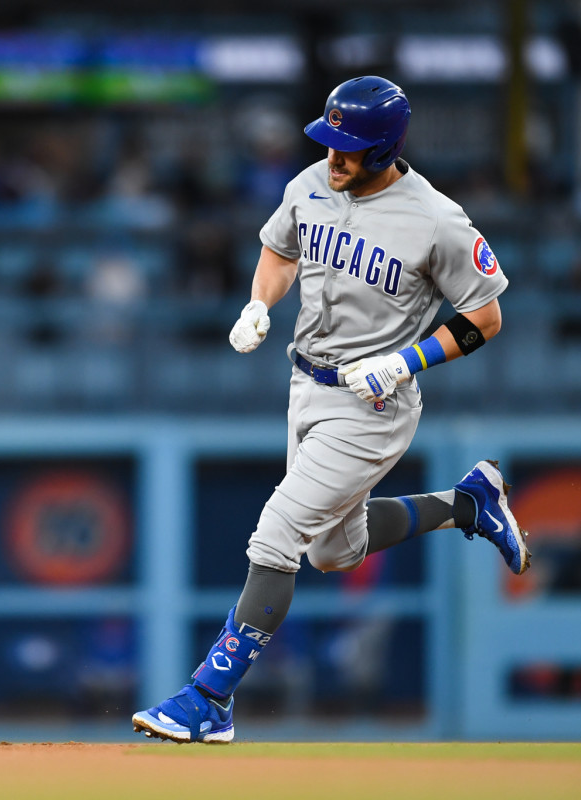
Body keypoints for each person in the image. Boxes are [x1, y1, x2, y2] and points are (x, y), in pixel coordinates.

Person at [132, 76, 531, 744]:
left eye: (349, 148)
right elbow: (280, 250)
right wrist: (260, 303)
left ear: (385, 148)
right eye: (330, 141)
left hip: (373, 403)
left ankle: (209, 698)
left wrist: (406, 362)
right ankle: (469, 505)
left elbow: (484, 317)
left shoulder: (435, 219)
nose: (334, 156)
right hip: (306, 387)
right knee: (333, 552)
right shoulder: (311, 183)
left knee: (278, 532)